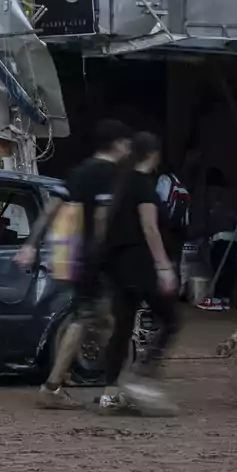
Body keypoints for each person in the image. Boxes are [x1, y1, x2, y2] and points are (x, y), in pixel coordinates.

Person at [16, 119, 133, 410]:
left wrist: (31, 244)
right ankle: (57, 386)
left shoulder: (77, 173)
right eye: (127, 144)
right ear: (119, 144)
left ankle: (114, 383)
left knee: (99, 320)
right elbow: (104, 219)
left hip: (76, 260)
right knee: (90, 320)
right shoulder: (109, 174)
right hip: (99, 261)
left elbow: (49, 211)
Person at [99, 132, 180, 415]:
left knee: (122, 328)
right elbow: (149, 228)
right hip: (140, 263)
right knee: (170, 320)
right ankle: (141, 376)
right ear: (154, 154)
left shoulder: (122, 183)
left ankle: (110, 393)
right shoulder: (144, 186)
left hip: (118, 265)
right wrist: (163, 266)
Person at [198, 168, 237, 312]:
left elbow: (209, 218)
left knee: (218, 268)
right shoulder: (231, 195)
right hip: (234, 236)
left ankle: (216, 299)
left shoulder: (211, 194)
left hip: (219, 236)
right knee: (229, 269)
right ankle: (225, 299)